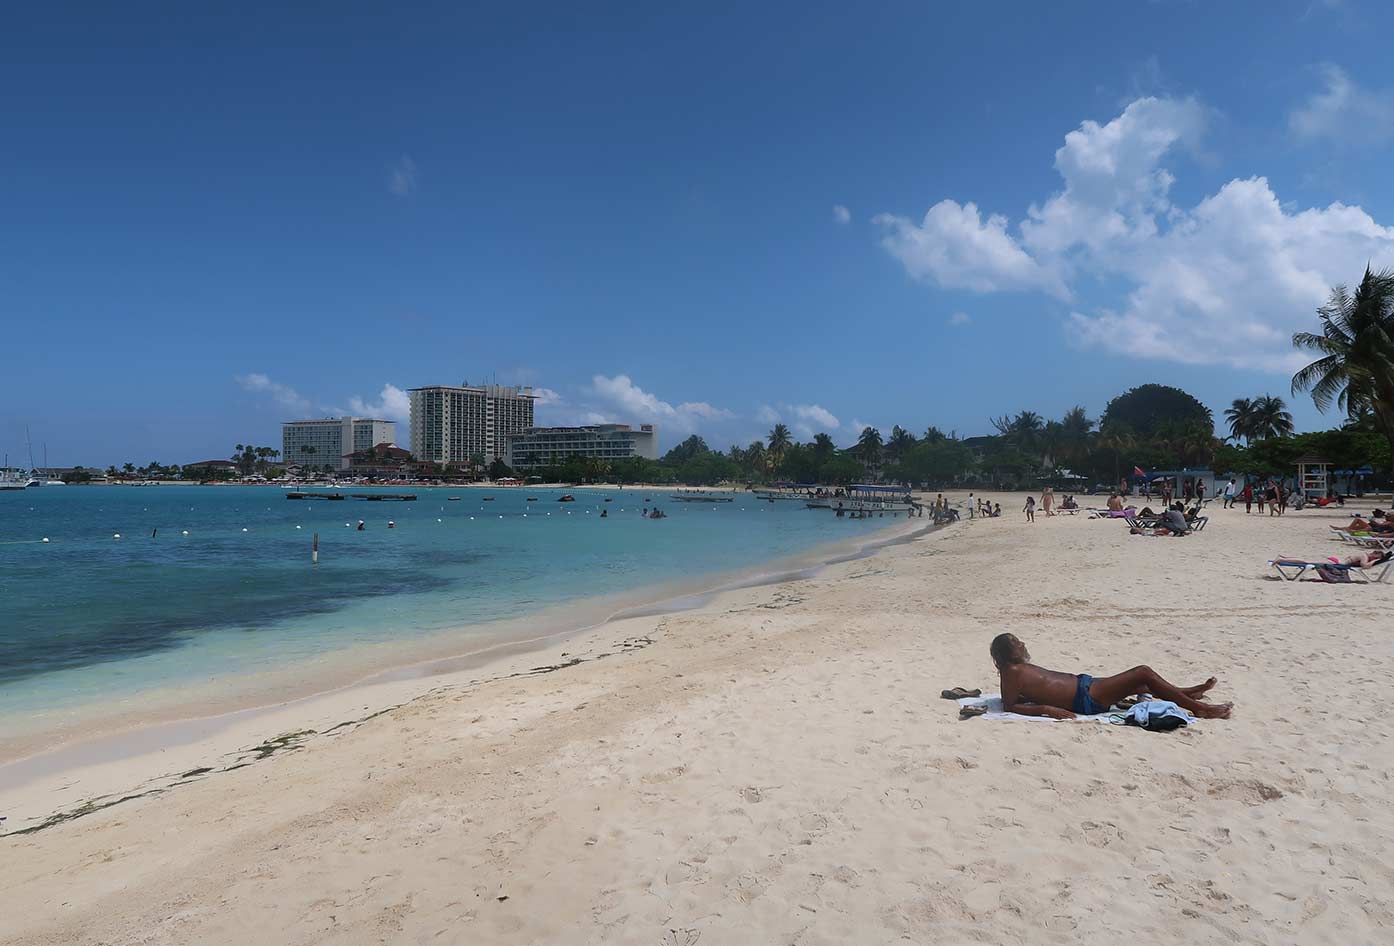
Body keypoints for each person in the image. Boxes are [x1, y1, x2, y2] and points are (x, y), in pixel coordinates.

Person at [990, 632, 1232, 719]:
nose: (1022, 644)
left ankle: (1189, 693)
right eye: (1016, 643)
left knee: (1142, 684)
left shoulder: (1017, 668)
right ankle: (1199, 708)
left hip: (1086, 685)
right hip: (1085, 699)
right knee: (1142, 673)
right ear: (1008, 653)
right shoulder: (1011, 672)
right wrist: (1047, 709)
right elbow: (1009, 705)